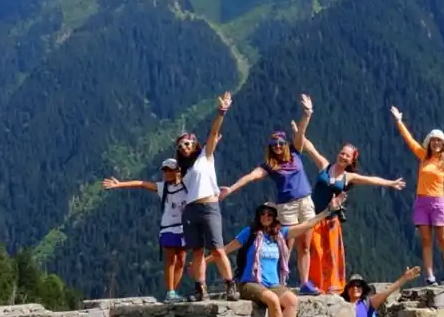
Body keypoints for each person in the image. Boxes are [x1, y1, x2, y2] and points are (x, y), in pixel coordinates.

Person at [291, 120, 407, 296]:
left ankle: (332, 286)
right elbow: (309, 147)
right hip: (313, 216)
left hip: (330, 219)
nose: (343, 157)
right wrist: (299, 130)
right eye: (342, 153)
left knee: (331, 255)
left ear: (351, 160)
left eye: (347, 156)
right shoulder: (324, 165)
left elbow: (371, 180)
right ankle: (313, 284)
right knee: (314, 251)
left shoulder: (348, 177)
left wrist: (391, 183)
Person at [220, 94, 320, 281]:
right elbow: (250, 176)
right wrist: (231, 189)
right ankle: (281, 279)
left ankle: (305, 281)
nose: (278, 147)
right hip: (287, 206)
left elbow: (301, 134)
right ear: (270, 147)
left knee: (306, 245)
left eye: (281, 143)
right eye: (274, 145)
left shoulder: (296, 153)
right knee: (286, 245)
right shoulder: (269, 165)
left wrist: (307, 113)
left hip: (306, 201)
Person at [390, 105, 444, 284]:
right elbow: (410, 141)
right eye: (433, 141)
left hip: (438, 203)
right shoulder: (423, 156)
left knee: (443, 239)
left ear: (443, 143)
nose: (436, 144)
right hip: (421, 202)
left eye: (439, 141)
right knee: (426, 240)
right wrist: (399, 121)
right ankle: (430, 276)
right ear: (429, 143)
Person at [177, 93, 239, 302]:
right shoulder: (182, 170)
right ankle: (200, 289)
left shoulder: (205, 156)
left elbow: (213, 133)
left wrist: (222, 112)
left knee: (217, 249)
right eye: (181, 146)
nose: (184, 147)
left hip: (209, 207)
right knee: (197, 252)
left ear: (195, 144)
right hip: (191, 210)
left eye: (187, 143)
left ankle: (230, 285)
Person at [100, 157, 191, 300]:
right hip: (168, 227)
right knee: (170, 259)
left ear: (178, 171)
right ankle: (170, 292)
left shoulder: (188, 186)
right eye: (164, 170)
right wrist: (120, 184)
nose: (166, 173)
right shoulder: (163, 188)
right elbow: (142, 184)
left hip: (184, 227)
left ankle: (173, 292)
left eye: (169, 170)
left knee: (181, 260)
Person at [223, 202, 299, 317]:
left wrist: (328, 212)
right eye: (263, 213)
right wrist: (204, 261)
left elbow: (306, 225)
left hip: (274, 283)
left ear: (275, 218)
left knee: (292, 300)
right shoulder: (249, 233)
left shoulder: (279, 235)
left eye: (270, 214)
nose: (266, 217)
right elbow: (226, 249)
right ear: (258, 215)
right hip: (249, 283)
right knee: (272, 299)